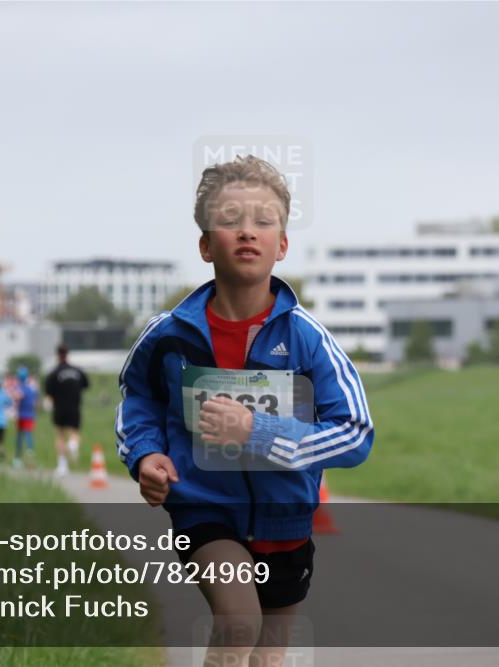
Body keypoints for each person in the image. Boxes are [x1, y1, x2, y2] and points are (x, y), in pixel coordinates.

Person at [117, 155, 373, 666]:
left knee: (267, 656)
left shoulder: (308, 339)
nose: (247, 232)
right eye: (230, 220)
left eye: (263, 220)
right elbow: (137, 399)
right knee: (238, 625)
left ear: (282, 245)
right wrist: (145, 456)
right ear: (206, 245)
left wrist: (260, 430)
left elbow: (354, 433)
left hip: (286, 520)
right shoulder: (169, 336)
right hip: (205, 512)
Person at [44, 344, 89, 476]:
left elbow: (48, 394)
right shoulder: (78, 371)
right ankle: (73, 444)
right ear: (67, 354)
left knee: (60, 435)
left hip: (59, 408)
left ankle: (62, 466)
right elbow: (85, 385)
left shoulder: (53, 373)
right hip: (75, 407)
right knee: (74, 432)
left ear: (57, 355)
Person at [12, 366, 39, 468]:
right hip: (30, 415)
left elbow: (17, 396)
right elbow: (36, 401)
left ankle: (18, 459)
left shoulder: (20, 387)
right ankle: (30, 459)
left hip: (21, 416)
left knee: (20, 438)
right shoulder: (31, 388)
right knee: (29, 437)